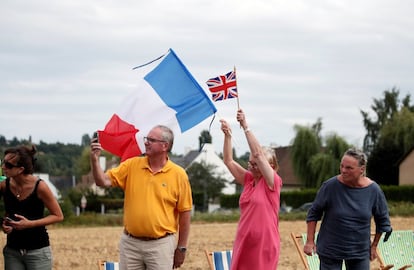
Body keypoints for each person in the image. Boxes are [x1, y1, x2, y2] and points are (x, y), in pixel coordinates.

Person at [90, 125, 192, 270]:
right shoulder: (131, 165)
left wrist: (181, 248)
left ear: (165, 146)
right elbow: (102, 181)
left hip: (161, 245)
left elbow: (185, 214)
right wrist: (94, 160)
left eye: (151, 140)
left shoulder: (179, 175)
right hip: (130, 245)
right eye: (146, 138)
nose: (146, 142)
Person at [304, 148, 392, 270]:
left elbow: (382, 221)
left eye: (349, 168)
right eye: (342, 166)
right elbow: (313, 213)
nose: (343, 170)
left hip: (359, 251)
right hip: (331, 250)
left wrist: (373, 246)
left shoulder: (374, 191)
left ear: (362, 169)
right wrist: (310, 241)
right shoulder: (330, 186)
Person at [220, 109, 283, 270]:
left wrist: (245, 126)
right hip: (244, 238)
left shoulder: (272, 182)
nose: (252, 166)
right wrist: (228, 136)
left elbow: (258, 153)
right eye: (250, 163)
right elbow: (228, 161)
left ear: (272, 167)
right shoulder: (248, 179)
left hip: (264, 243)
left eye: (256, 164)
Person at [0, 145, 64, 270]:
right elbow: (5, 215)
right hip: (12, 252)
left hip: (38, 252)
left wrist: (30, 224)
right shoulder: (3, 185)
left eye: (8, 165)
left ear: (20, 169)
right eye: (3, 162)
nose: (3, 167)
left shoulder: (40, 186)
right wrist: (3, 223)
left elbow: (58, 216)